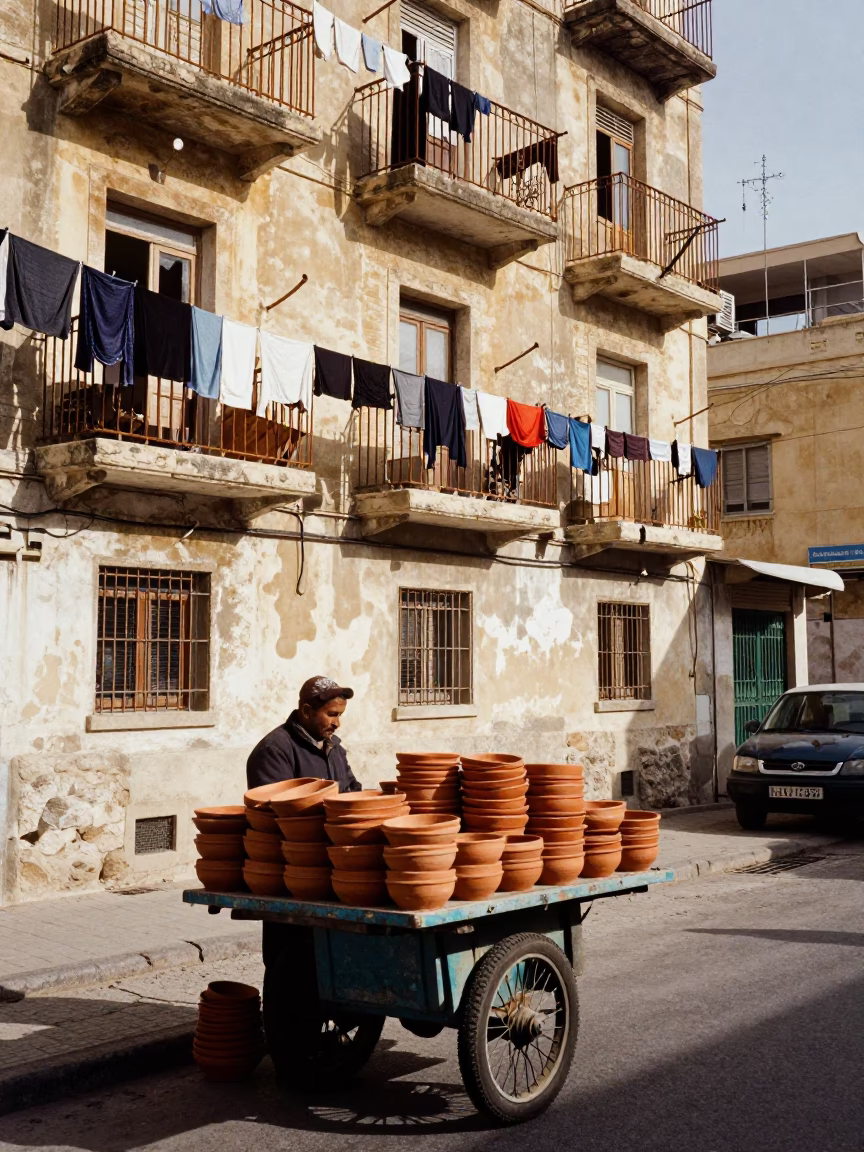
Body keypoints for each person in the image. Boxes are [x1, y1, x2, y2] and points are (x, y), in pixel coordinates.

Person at [246, 676, 363, 792]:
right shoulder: (274, 751)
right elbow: (276, 806)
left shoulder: (334, 749)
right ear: (307, 712)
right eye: (331, 714)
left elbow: (353, 793)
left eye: (339, 715)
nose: (337, 724)